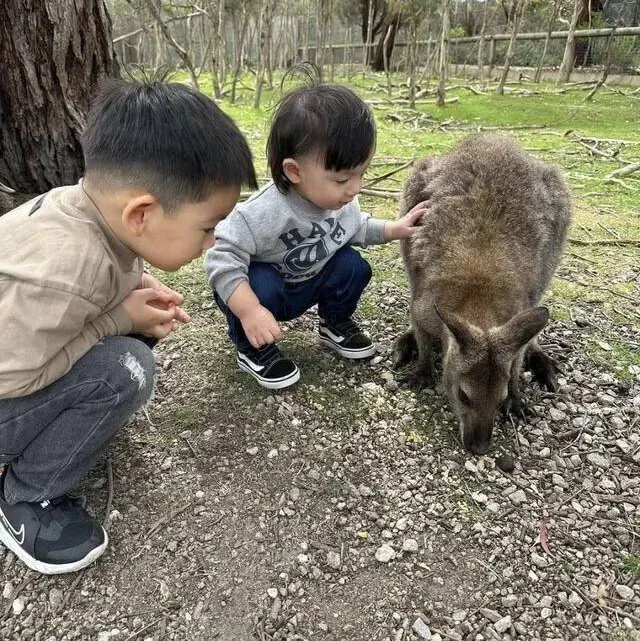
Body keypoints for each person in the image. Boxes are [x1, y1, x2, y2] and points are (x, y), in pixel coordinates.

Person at [0, 80, 256, 575]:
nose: (213, 241)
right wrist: (118, 319)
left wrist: (133, 287)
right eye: (207, 226)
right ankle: (26, 497)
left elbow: (107, 268)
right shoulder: (69, 270)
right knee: (125, 368)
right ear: (140, 213)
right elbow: (13, 379)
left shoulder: (82, 207)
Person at [205, 83, 428, 390]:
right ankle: (251, 347)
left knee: (353, 266)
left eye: (362, 174)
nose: (355, 188)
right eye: (342, 179)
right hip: (264, 293)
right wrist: (249, 309)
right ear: (294, 172)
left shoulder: (339, 201)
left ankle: (333, 324)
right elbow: (220, 255)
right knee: (262, 282)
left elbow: (356, 227)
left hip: (306, 283)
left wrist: (394, 229)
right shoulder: (262, 214)